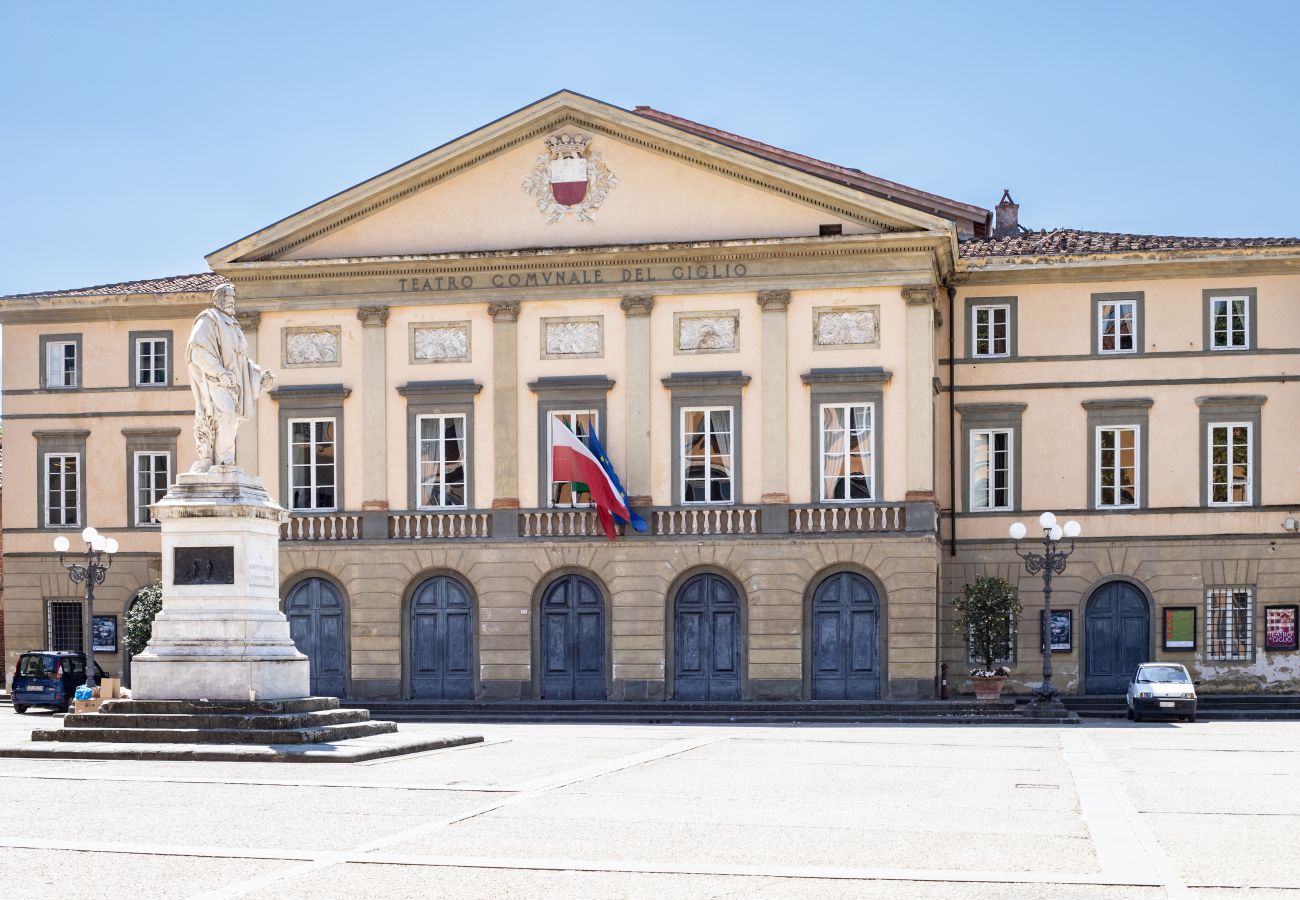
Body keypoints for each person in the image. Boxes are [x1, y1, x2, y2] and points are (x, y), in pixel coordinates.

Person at [186, 284, 274, 472]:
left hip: (233, 384)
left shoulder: (233, 326)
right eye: (228, 297)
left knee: (231, 420)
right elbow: (198, 351)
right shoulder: (208, 319)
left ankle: (223, 460)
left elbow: (241, 362)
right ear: (218, 299)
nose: (232, 301)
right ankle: (221, 460)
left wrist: (259, 378)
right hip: (215, 381)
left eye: (233, 298)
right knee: (224, 412)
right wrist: (219, 372)